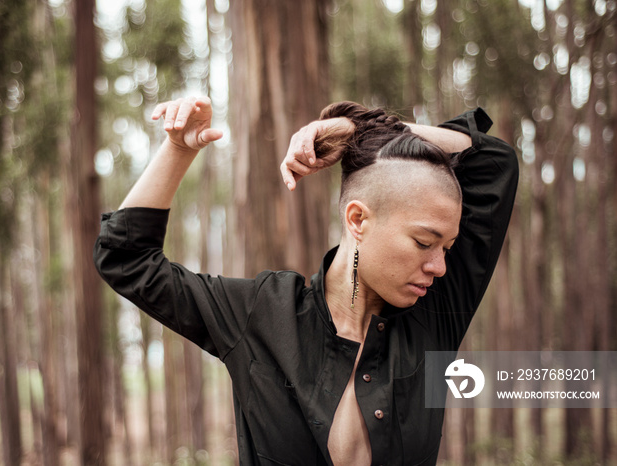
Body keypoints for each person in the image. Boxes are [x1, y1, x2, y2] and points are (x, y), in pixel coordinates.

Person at [93, 96, 518, 465]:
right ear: (358, 219)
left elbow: (494, 160)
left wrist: (359, 128)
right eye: (425, 242)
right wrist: (176, 149)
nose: (441, 266)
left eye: (447, 247)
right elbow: (126, 260)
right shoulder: (262, 314)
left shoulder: (437, 312)